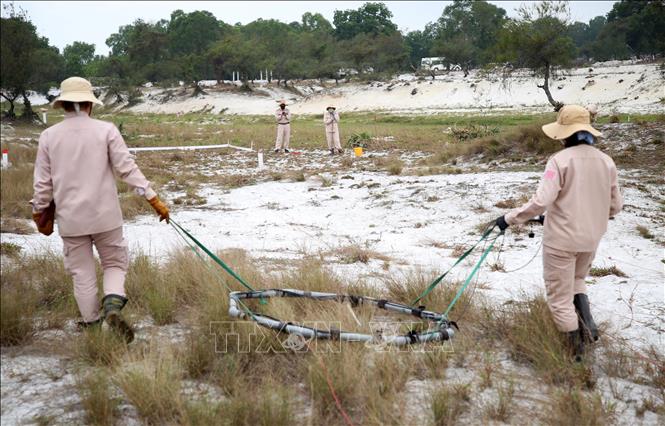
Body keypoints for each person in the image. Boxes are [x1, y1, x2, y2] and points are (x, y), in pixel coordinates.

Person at [31, 77, 170, 343]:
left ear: (62, 105)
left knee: (81, 273)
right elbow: (127, 168)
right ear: (89, 105)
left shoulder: (49, 136)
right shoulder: (106, 130)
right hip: (106, 216)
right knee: (115, 263)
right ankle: (113, 307)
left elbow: (42, 183)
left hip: (70, 220)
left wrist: (39, 213)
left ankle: (92, 327)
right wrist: (153, 199)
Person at [494, 104, 622, 361]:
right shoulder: (606, 161)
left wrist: (510, 218)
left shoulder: (559, 161)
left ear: (565, 134)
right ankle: (589, 330)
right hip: (591, 238)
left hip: (561, 241)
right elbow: (615, 206)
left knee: (559, 298)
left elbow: (542, 201)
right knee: (577, 281)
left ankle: (575, 355)